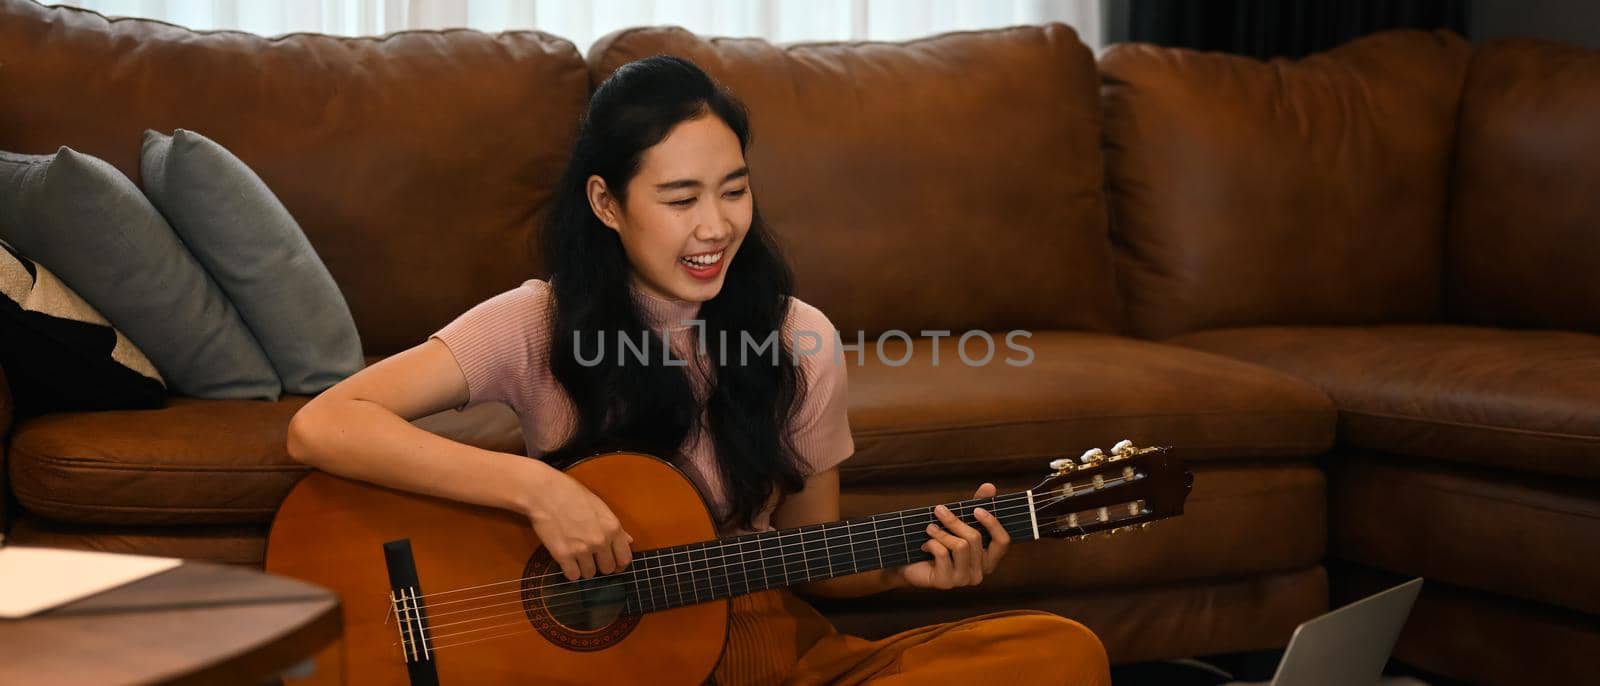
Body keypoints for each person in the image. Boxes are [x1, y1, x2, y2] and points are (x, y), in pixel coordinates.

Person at [286, 54, 1109, 686]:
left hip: (762, 651)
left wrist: (906, 563)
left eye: (735, 191)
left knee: (1058, 654)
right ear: (608, 205)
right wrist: (542, 491)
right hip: (604, 669)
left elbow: (811, 554)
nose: (715, 227)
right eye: (680, 199)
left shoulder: (800, 340)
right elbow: (322, 424)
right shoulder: (534, 321)